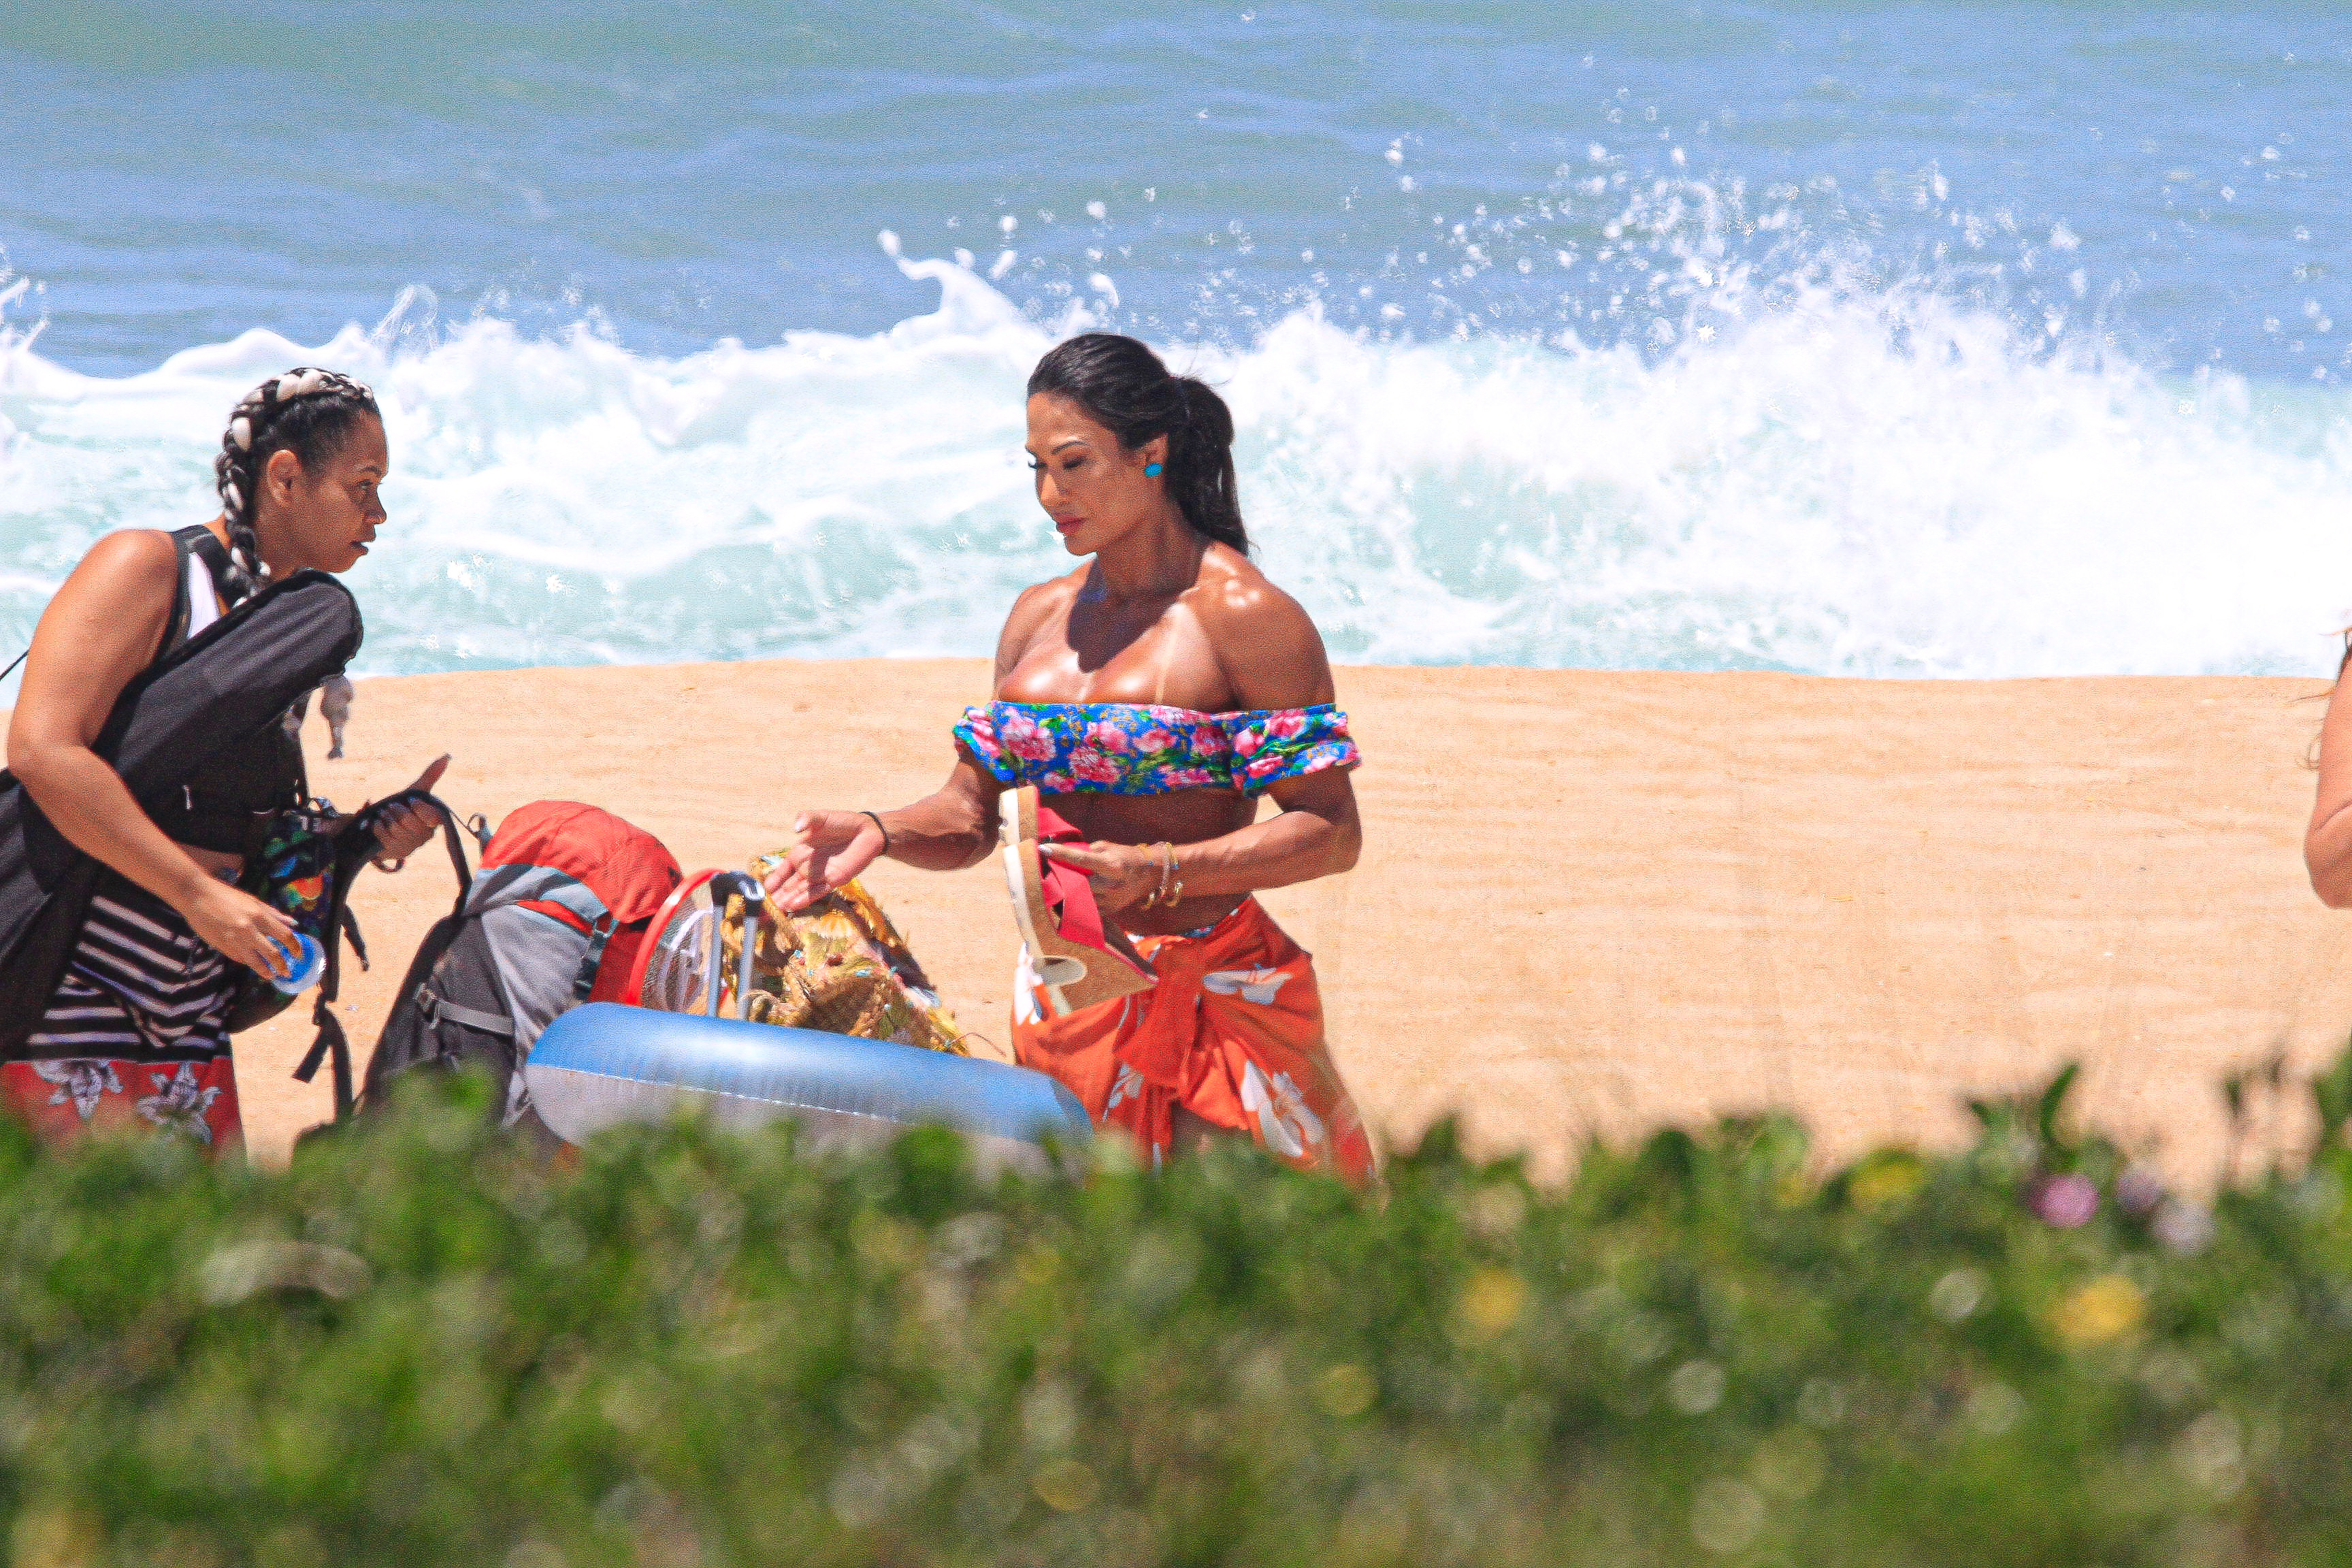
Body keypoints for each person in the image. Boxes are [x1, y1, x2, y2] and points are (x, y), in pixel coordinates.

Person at [766, 333, 1373, 1180]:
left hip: (1211, 997)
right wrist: (879, 830)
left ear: (1150, 453)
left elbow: (1329, 832)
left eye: (1075, 463)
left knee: (1260, 1272)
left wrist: (1160, 870)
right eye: (1036, 469)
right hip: (1065, 998)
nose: (1052, 495)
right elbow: (971, 816)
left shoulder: (1245, 617)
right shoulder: (1035, 622)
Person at [3, 368, 446, 1150]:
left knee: (186, 1267)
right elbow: (43, 750)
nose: (378, 515)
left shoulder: (278, 621)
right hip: (73, 985)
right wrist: (197, 896)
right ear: (286, 477)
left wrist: (357, 843)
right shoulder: (149, 569)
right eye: (363, 485)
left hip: (190, 1005)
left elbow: (208, 806)